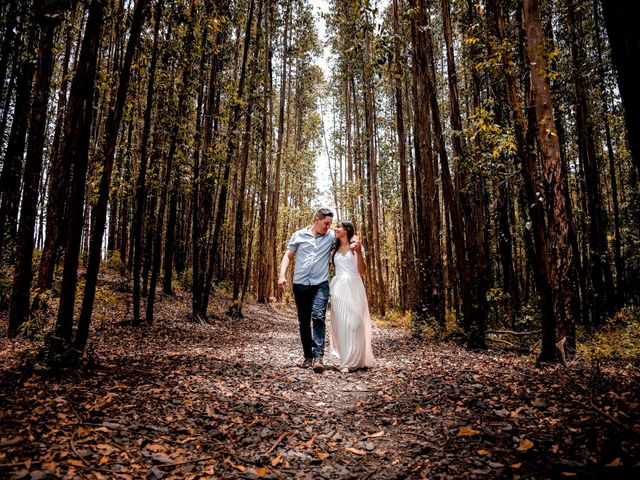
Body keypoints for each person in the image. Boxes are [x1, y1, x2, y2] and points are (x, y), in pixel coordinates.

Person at [278, 208, 337, 373]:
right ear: (317, 219)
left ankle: (318, 357)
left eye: (330, 224)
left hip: (321, 284)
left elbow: (347, 236)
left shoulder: (331, 236)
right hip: (301, 284)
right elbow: (288, 256)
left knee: (318, 316)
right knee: (304, 321)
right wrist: (282, 275)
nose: (328, 227)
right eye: (326, 223)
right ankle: (308, 356)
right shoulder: (298, 235)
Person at [328, 221, 374, 372]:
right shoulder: (334, 248)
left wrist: (359, 252)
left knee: (356, 322)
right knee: (342, 323)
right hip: (338, 287)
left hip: (354, 286)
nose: (335, 229)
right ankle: (346, 362)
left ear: (347, 229)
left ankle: (359, 359)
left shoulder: (357, 246)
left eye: (338, 227)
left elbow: (362, 270)